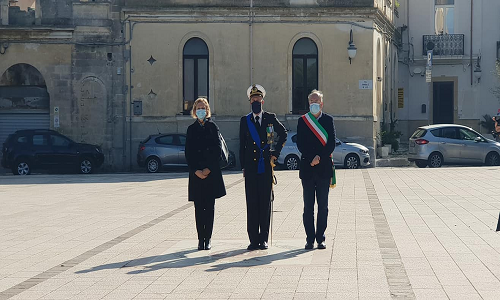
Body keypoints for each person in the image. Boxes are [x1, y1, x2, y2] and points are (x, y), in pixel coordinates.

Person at [239, 84, 287, 250]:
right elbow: (242, 145)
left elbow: (284, 134)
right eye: (253, 100)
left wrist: (276, 154)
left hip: (266, 165)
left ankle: (264, 238)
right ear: (250, 102)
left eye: (258, 99)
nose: (255, 101)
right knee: (252, 203)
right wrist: (243, 166)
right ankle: (253, 239)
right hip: (251, 168)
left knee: (265, 202)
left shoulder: (270, 118)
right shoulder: (245, 121)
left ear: (263, 101)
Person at [296, 90, 336, 250]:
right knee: (308, 207)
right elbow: (300, 143)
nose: (314, 103)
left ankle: (321, 238)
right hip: (307, 168)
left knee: (323, 206)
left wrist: (319, 157)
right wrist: (311, 157)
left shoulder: (328, 120)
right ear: (308, 103)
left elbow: (332, 143)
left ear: (322, 103)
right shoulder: (303, 121)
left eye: (316, 101)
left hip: (323, 168)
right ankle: (309, 238)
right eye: (311, 101)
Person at [185, 98, 226, 250]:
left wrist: (208, 169)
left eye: (203, 108)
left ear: (207, 110)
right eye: (198, 108)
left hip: (210, 173)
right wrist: (196, 170)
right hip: (196, 175)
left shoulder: (212, 127)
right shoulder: (191, 129)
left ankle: (207, 238)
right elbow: (188, 152)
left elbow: (217, 150)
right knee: (198, 208)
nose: (201, 110)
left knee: (209, 208)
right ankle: (200, 239)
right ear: (195, 111)